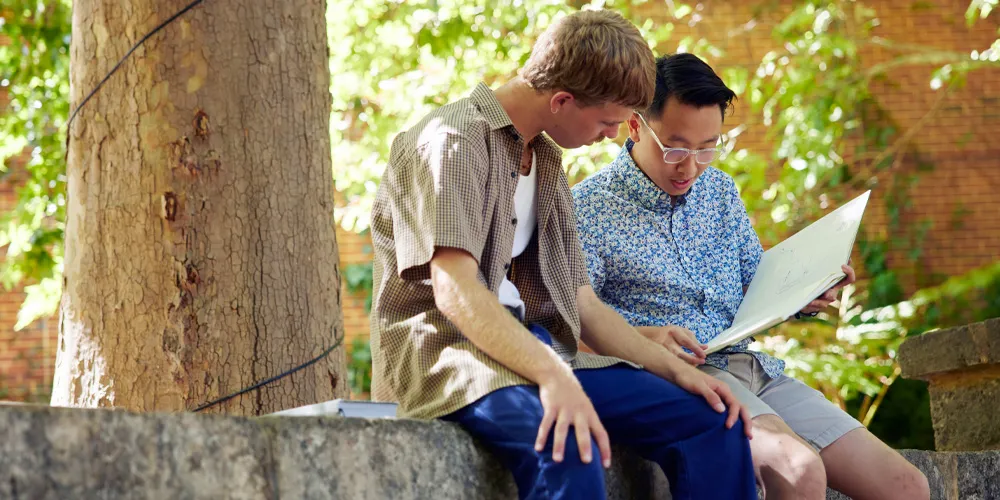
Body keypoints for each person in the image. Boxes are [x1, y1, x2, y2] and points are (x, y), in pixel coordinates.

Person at [368, 11, 757, 500]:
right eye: (608, 121)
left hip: (534, 348)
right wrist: (553, 374)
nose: (613, 136)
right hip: (451, 355)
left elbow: (583, 302)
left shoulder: (544, 160)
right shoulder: (451, 144)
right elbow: (455, 289)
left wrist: (678, 370)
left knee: (712, 423)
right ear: (562, 101)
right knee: (568, 443)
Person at [571, 52, 931, 500]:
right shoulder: (586, 208)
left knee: (908, 487)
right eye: (676, 148)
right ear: (636, 126)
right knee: (799, 470)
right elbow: (572, 328)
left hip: (753, 369)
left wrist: (808, 292)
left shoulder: (719, 191)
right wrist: (647, 337)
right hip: (680, 375)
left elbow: (755, 285)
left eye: (708, 148)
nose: (691, 166)